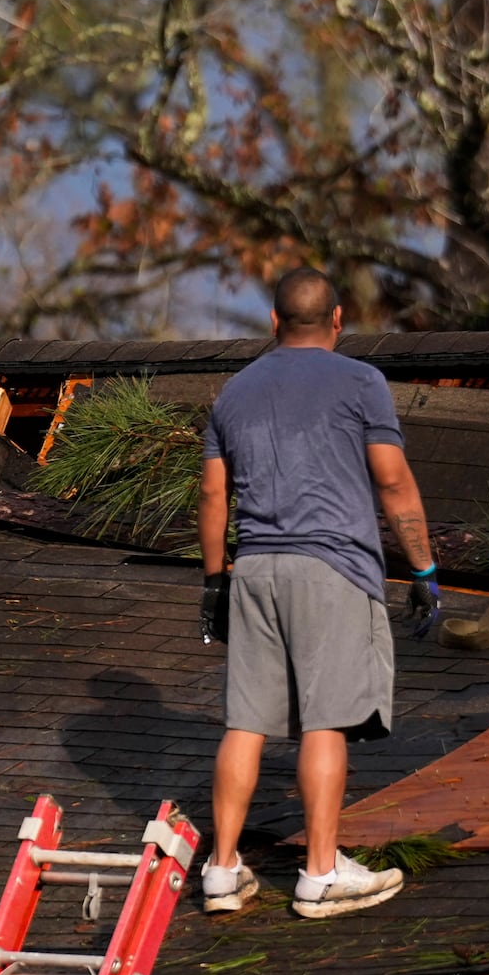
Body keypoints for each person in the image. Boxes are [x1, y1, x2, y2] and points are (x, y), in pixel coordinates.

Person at [196, 266, 440, 919]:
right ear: (337, 320)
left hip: (253, 572)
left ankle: (220, 870)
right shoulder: (361, 382)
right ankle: (322, 873)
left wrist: (214, 583)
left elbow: (213, 494)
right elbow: (391, 483)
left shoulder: (233, 395)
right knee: (324, 719)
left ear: (274, 323)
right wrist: (421, 569)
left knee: (245, 722)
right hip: (331, 569)